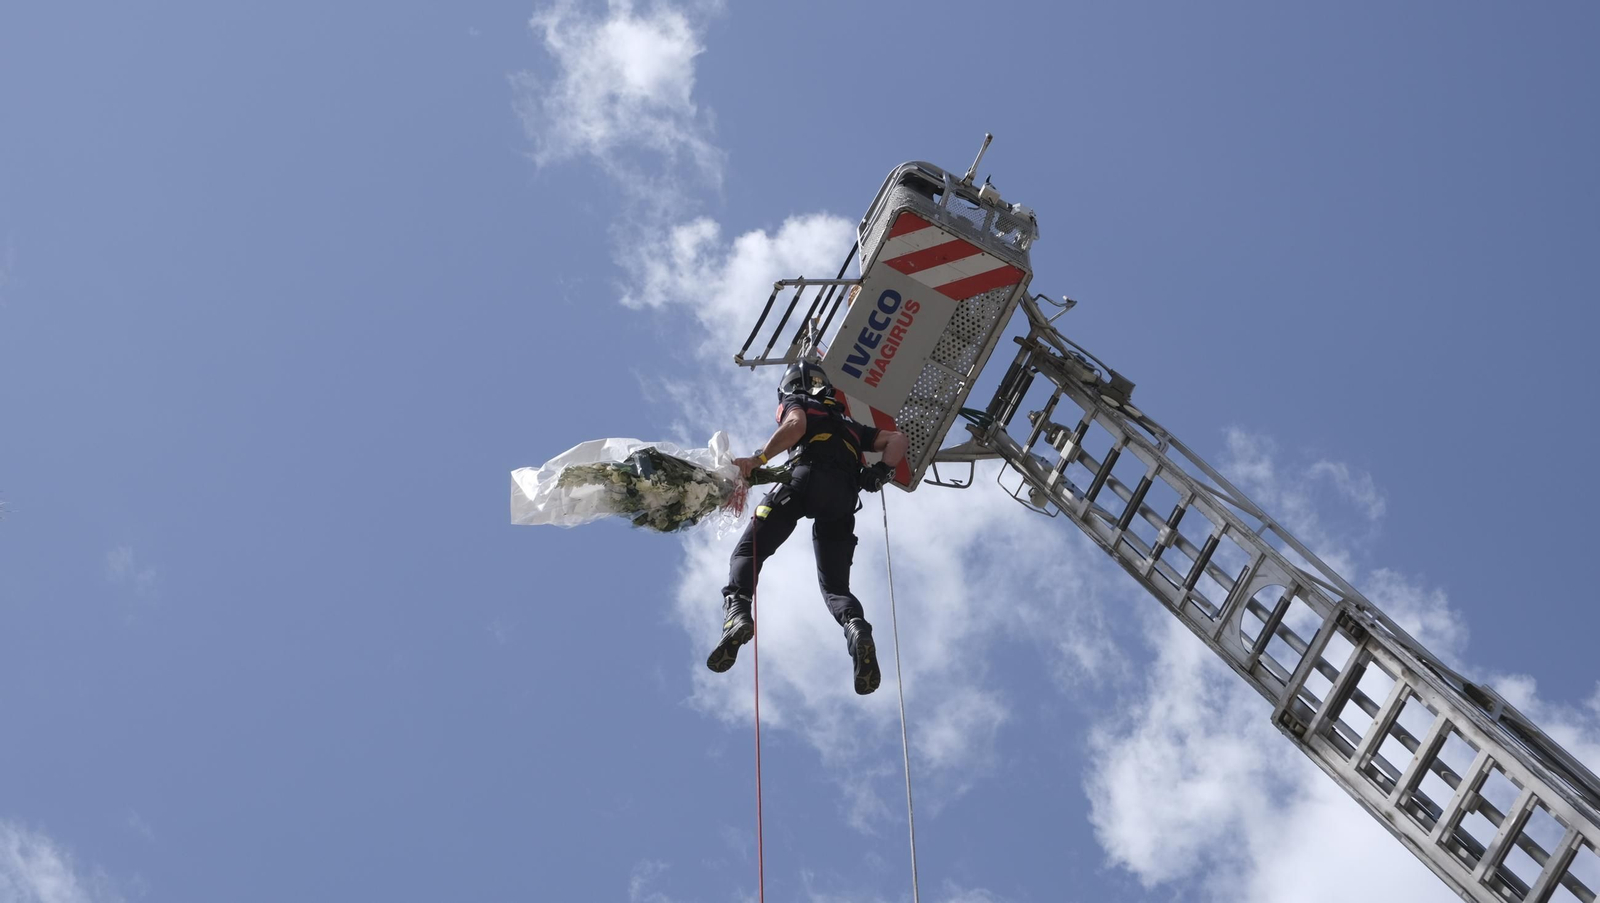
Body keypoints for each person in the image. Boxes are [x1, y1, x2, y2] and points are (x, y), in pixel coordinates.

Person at [705, 361, 908, 695]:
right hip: (843, 499)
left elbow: (796, 426)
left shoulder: (799, 403)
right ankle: (855, 627)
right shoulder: (850, 425)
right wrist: (879, 473)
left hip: (805, 480)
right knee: (835, 587)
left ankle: (738, 613)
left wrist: (759, 459)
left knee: (748, 551)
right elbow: (897, 439)